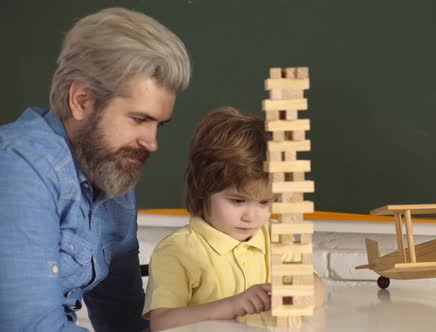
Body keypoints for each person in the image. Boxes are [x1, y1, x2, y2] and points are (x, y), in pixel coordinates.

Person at [0, 7, 191, 332]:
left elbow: (123, 320)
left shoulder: (113, 175)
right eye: (139, 119)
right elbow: (31, 326)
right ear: (82, 100)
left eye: (160, 124)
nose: (152, 142)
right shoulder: (19, 166)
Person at [142, 107, 325, 331]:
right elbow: (162, 322)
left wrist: (301, 294)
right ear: (203, 188)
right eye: (238, 201)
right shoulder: (176, 250)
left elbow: (316, 286)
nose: (251, 216)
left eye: (265, 203)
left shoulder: (277, 236)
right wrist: (232, 305)